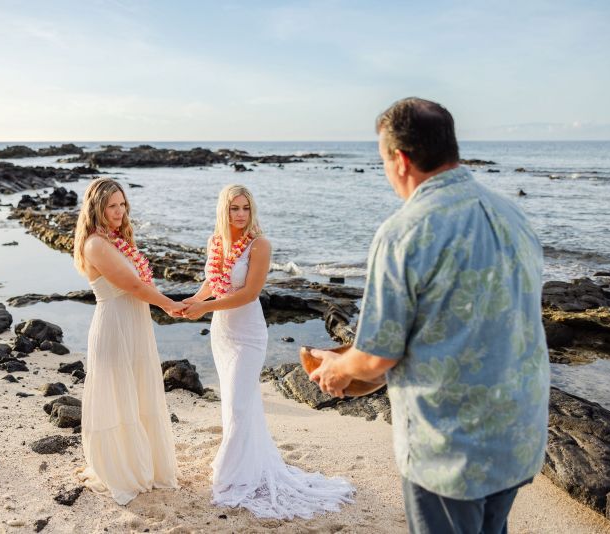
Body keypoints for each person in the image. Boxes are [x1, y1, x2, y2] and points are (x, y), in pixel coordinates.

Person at [310, 98, 550, 534]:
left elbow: (376, 356)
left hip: (450, 449)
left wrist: (337, 369)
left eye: (383, 160)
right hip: (518, 432)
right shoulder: (513, 215)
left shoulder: (405, 232)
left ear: (400, 160)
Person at [182, 184, 354, 519]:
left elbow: (248, 294)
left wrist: (206, 307)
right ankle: (242, 465)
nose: (241, 214)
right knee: (233, 404)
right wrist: (194, 301)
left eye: (246, 208)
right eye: (234, 208)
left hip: (248, 334)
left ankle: (232, 478)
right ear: (224, 210)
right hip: (222, 333)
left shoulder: (259, 245)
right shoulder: (215, 242)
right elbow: (212, 282)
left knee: (238, 405)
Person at [73, 178, 184, 505]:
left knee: (137, 392)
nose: (119, 211)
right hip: (115, 325)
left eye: (122, 204)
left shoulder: (117, 239)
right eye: (112, 206)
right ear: (98, 208)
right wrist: (170, 304)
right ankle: (122, 470)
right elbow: (132, 285)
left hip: (135, 324)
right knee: (118, 395)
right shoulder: (95, 244)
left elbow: (138, 284)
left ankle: (143, 463)